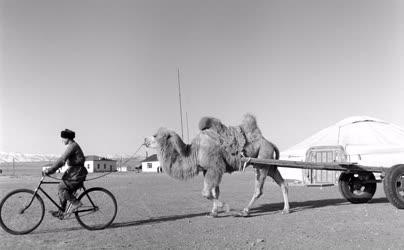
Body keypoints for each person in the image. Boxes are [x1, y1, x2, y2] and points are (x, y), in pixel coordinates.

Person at [43, 129, 88, 218]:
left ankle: (76, 203)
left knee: (61, 187)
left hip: (77, 174)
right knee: (62, 187)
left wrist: (50, 170)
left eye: (63, 138)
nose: (62, 140)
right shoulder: (72, 146)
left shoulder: (72, 146)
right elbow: (62, 160)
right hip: (73, 172)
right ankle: (61, 212)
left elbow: (62, 160)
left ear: (67, 138)